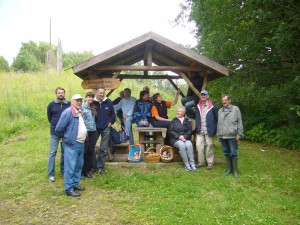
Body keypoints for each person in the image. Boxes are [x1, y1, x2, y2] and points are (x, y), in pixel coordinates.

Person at [55, 94, 87, 197]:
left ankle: (75, 184)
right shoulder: (68, 112)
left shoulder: (79, 112)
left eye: (80, 101)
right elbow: (59, 128)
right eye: (77, 100)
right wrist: (66, 139)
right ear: (72, 102)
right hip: (72, 144)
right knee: (70, 167)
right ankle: (68, 189)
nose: (79, 102)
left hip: (81, 143)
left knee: (78, 165)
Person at [47, 87, 70, 182]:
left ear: (64, 94)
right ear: (56, 94)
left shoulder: (69, 104)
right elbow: (49, 117)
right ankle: (50, 174)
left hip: (65, 132)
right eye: (59, 93)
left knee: (64, 152)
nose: (61, 94)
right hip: (54, 132)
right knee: (53, 152)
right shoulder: (51, 105)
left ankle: (63, 171)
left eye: (62, 93)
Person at [217, 94, 243, 178]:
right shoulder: (220, 110)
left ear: (229, 100)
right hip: (222, 135)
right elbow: (219, 123)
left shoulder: (235, 109)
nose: (224, 102)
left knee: (233, 153)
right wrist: (218, 134)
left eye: (225, 100)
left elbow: (240, 122)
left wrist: (239, 134)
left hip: (232, 135)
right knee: (226, 153)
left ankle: (235, 171)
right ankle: (229, 169)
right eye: (223, 100)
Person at [94, 87, 116, 174]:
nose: (102, 94)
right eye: (100, 92)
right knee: (91, 147)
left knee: (103, 148)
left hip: (106, 127)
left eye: (103, 93)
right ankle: (92, 166)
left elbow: (113, 115)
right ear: (96, 92)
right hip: (95, 128)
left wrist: (111, 122)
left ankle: (100, 167)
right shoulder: (93, 102)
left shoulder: (109, 102)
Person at [168, 106, 197, 171]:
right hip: (176, 139)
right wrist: (179, 136)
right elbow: (170, 131)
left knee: (189, 145)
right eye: (178, 111)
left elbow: (189, 131)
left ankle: (192, 164)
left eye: (180, 111)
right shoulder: (173, 121)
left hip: (185, 138)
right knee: (182, 145)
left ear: (183, 113)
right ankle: (187, 164)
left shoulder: (187, 121)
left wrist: (184, 136)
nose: (178, 112)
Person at [195, 90, 218, 170]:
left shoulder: (213, 106)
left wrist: (215, 129)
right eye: (202, 95)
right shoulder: (198, 106)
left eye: (205, 95)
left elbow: (217, 118)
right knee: (198, 145)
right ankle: (201, 162)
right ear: (200, 96)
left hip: (209, 130)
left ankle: (210, 163)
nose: (203, 96)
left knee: (209, 146)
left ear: (208, 96)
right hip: (200, 130)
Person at [81, 92, 97, 178]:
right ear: (86, 97)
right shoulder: (82, 107)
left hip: (93, 131)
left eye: (92, 97)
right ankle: (81, 171)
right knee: (84, 151)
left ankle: (87, 170)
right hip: (85, 132)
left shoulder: (93, 107)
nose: (90, 99)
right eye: (89, 97)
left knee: (90, 151)